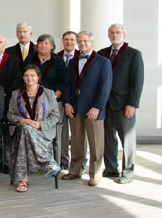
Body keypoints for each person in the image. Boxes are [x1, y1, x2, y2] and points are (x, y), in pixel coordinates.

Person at [62, 31, 112, 186]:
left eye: (85, 41)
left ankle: (95, 174)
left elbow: (105, 87)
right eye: (80, 41)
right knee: (76, 141)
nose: (82, 44)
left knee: (96, 144)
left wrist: (97, 107)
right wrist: (67, 103)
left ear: (92, 42)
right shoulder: (73, 62)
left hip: (93, 109)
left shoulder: (103, 62)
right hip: (75, 107)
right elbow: (68, 84)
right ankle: (75, 170)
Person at [99, 23, 144, 184]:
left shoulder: (134, 54)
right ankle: (111, 169)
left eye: (117, 32)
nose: (114, 35)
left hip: (124, 104)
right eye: (111, 32)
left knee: (128, 139)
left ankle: (128, 172)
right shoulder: (102, 54)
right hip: (105, 104)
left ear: (124, 35)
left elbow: (137, 82)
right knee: (108, 138)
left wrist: (132, 104)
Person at [6, 65, 61, 192]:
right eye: (26, 75)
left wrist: (40, 124)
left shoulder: (48, 93)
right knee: (25, 129)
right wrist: (21, 120)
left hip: (42, 133)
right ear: (23, 78)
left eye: (32, 75)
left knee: (24, 137)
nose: (29, 78)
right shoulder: (16, 94)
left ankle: (23, 181)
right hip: (20, 131)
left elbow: (55, 115)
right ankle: (47, 162)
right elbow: (10, 115)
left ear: (38, 77)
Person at [56, 31, 82, 170]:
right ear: (62, 40)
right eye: (66, 39)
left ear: (76, 41)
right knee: (62, 132)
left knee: (78, 133)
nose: (69, 42)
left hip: (77, 100)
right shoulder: (57, 56)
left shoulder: (82, 56)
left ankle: (80, 162)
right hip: (60, 101)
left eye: (72, 39)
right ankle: (63, 160)